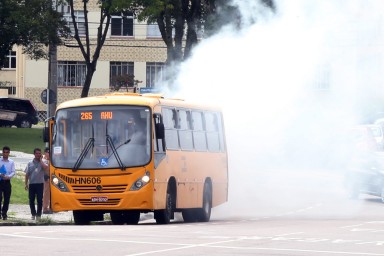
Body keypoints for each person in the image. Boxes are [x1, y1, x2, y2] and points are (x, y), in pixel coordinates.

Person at [24, 148, 49, 220]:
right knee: (31, 200)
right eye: (37, 153)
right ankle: (33, 214)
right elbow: (27, 174)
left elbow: (46, 168)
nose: (38, 155)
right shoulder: (30, 163)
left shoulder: (44, 161)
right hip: (32, 183)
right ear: (34, 154)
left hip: (40, 184)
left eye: (39, 153)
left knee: (39, 199)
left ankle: (38, 214)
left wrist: (41, 160)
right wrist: (26, 184)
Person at [0, 146, 16, 220]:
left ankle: (4, 213)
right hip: (0, 180)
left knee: (7, 199)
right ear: (2, 152)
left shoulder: (11, 162)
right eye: (4, 152)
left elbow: (13, 172)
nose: (5, 154)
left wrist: (8, 177)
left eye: (7, 152)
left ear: (9, 153)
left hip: (7, 181)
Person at [42, 147, 52, 214]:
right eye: (48, 152)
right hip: (46, 179)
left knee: (50, 194)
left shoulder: (51, 160)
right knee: (46, 194)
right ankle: (45, 208)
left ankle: (50, 207)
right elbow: (45, 168)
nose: (49, 154)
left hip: (52, 179)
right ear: (45, 153)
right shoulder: (43, 160)